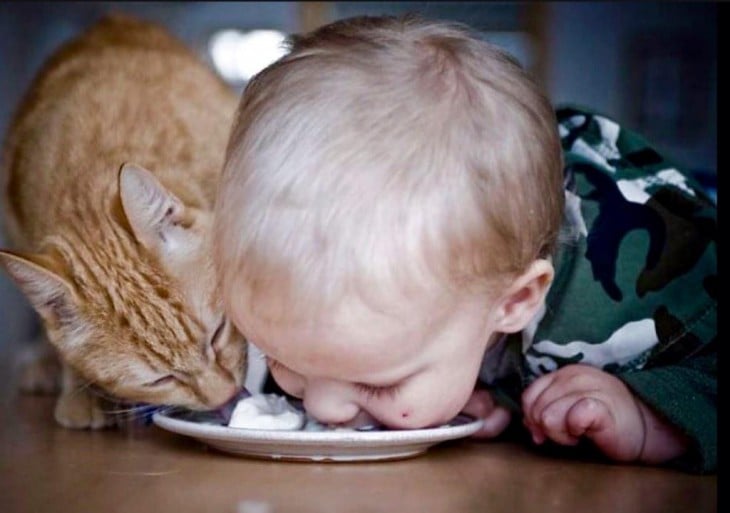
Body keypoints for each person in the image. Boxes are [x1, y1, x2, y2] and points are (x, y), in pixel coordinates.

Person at [212, 14, 716, 473]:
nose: (321, 408)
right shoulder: (437, 304)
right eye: (281, 358)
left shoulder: (630, 294)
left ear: (515, 300)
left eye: (379, 385)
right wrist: (501, 394)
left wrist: (653, 416)